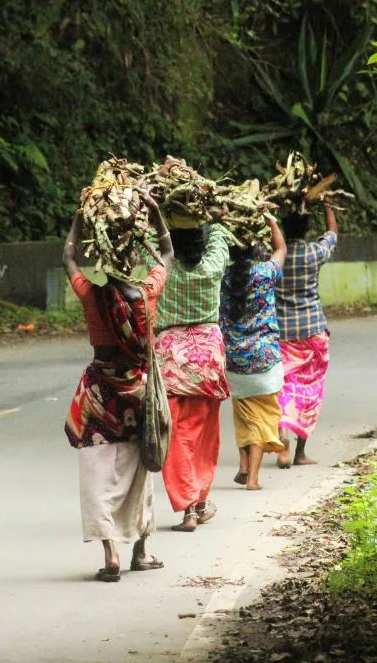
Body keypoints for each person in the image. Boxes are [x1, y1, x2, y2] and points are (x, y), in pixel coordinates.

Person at [62, 201, 174, 582]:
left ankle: (110, 550)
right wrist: (156, 216)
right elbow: (168, 253)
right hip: (137, 391)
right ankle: (141, 551)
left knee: (96, 468)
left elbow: (68, 257)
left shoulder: (92, 296)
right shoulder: (147, 294)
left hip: (100, 392)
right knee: (140, 467)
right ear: (131, 260)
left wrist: (80, 220)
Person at [155, 222, 232, 532]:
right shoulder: (212, 266)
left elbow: (149, 239)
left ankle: (189, 506)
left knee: (174, 435)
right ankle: (198, 502)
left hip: (171, 361)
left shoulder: (162, 269)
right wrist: (211, 216)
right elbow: (222, 236)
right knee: (203, 435)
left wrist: (157, 211)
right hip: (207, 362)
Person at [219, 216, 287, 490]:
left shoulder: (222, 277)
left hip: (233, 360)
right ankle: (254, 479)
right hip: (265, 360)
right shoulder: (263, 274)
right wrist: (272, 222)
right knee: (263, 417)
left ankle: (243, 466)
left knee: (243, 412)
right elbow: (281, 249)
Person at [275, 201, 339, 468]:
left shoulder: (273, 256)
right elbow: (333, 234)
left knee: (283, 386)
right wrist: (328, 208)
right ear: (307, 229)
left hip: (281, 332)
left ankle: (281, 438)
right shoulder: (314, 253)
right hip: (312, 331)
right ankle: (300, 451)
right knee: (310, 389)